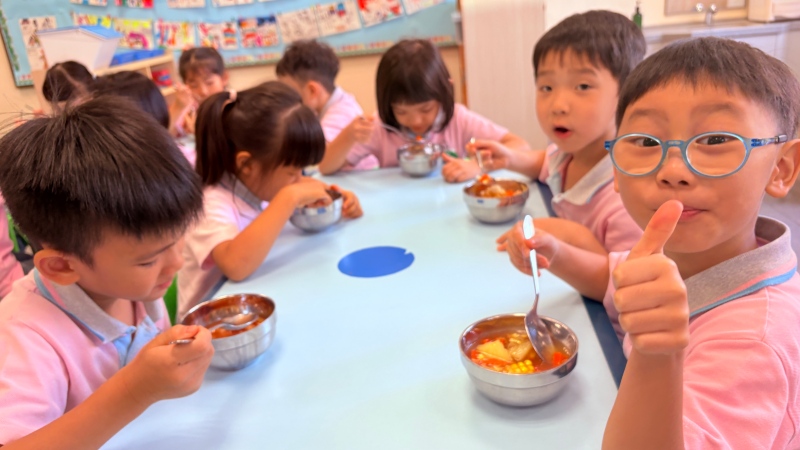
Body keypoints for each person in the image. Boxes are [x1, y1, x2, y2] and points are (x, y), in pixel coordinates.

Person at [0, 97, 214, 448]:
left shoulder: (140, 289)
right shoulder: (25, 335)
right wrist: (135, 390)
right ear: (62, 266)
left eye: (178, 240)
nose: (177, 262)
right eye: (148, 260)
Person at [178, 81, 363, 319]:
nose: (298, 179)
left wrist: (332, 194)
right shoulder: (210, 204)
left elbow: (298, 185)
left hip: (253, 301)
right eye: (292, 172)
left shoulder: (256, 182)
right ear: (247, 164)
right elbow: (235, 265)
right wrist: (289, 197)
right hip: (210, 326)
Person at [319, 38, 529, 180]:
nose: (416, 121)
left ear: (445, 92)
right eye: (401, 112)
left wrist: (477, 165)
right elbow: (325, 167)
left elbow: (520, 146)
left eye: (426, 109)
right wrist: (349, 135)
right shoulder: (381, 127)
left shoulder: (458, 119)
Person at [276, 39, 378, 171]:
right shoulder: (340, 100)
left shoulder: (339, 115)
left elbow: (318, 162)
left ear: (312, 91)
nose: (287, 98)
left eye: (290, 92)